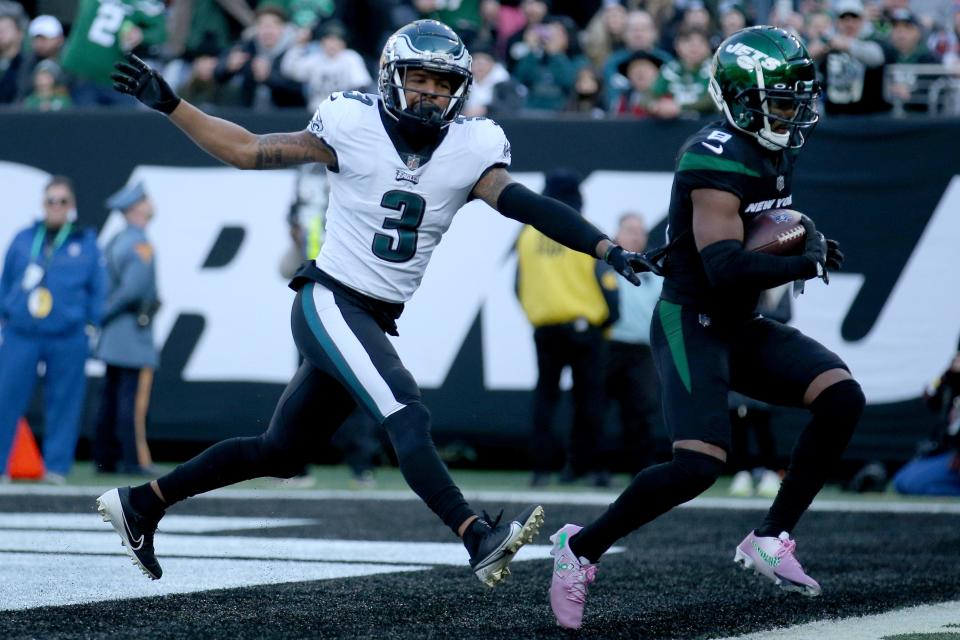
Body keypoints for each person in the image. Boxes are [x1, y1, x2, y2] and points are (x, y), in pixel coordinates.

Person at [96, 19, 653, 587]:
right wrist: (172, 104)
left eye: (443, 82)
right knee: (405, 409)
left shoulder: (470, 147)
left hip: (373, 315)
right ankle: (475, 535)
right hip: (330, 298)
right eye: (420, 77)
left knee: (281, 452)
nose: (432, 92)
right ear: (391, 77)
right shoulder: (351, 123)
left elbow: (526, 205)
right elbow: (245, 150)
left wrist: (604, 247)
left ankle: (142, 504)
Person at [547, 26, 861, 630]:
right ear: (742, 99)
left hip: (739, 320)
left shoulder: (773, 146)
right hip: (691, 318)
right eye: (782, 101)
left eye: (798, 98)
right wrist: (803, 259)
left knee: (841, 396)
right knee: (697, 465)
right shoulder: (713, 153)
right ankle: (579, 548)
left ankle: (770, 536)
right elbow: (722, 264)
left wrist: (798, 237)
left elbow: (758, 232)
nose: (794, 112)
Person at [515, 170, 620, 488]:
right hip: (585, 327)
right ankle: (590, 468)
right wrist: (608, 319)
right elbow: (607, 282)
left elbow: (517, 285)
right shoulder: (583, 231)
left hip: (545, 327)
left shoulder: (528, 235)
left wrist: (538, 312)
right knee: (589, 400)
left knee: (545, 398)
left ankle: (540, 470)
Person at [0, 176, 106, 483]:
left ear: (71, 206)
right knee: (6, 398)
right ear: (42, 203)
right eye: (51, 200)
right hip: (22, 333)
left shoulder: (85, 242)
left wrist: (91, 324)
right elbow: (6, 280)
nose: (56, 206)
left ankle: (56, 467)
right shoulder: (23, 238)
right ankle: (1, 465)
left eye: (62, 201)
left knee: (64, 402)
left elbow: (98, 289)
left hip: (68, 335)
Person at [93, 182, 160, 477]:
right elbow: (133, 289)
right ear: (136, 208)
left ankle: (104, 458)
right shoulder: (138, 243)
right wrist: (105, 313)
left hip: (115, 335)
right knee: (131, 402)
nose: (150, 203)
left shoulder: (118, 239)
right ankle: (133, 460)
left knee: (110, 397)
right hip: (131, 333)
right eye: (145, 199)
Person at [603, 213, 663, 478]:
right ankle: (596, 468)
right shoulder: (602, 265)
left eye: (641, 231)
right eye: (630, 229)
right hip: (608, 345)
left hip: (642, 350)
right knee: (598, 407)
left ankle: (640, 469)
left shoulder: (655, 271)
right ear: (617, 233)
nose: (636, 235)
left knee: (641, 409)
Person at [59, 0, 167, 107]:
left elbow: (162, 33)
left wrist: (141, 35)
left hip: (117, 79)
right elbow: (162, 32)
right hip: (82, 73)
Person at [892, 341, 960, 496]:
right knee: (903, 482)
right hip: (950, 452)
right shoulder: (953, 379)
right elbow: (933, 398)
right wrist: (949, 377)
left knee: (914, 485)